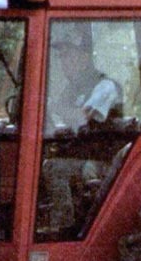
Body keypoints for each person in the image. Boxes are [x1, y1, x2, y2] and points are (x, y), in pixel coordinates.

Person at [40, 24, 123, 236]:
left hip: (104, 162)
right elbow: (61, 122)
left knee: (53, 168)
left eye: (69, 56)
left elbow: (80, 118)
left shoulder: (105, 86)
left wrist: (50, 105)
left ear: (85, 57)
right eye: (61, 57)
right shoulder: (72, 88)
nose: (63, 63)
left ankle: (62, 228)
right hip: (82, 157)